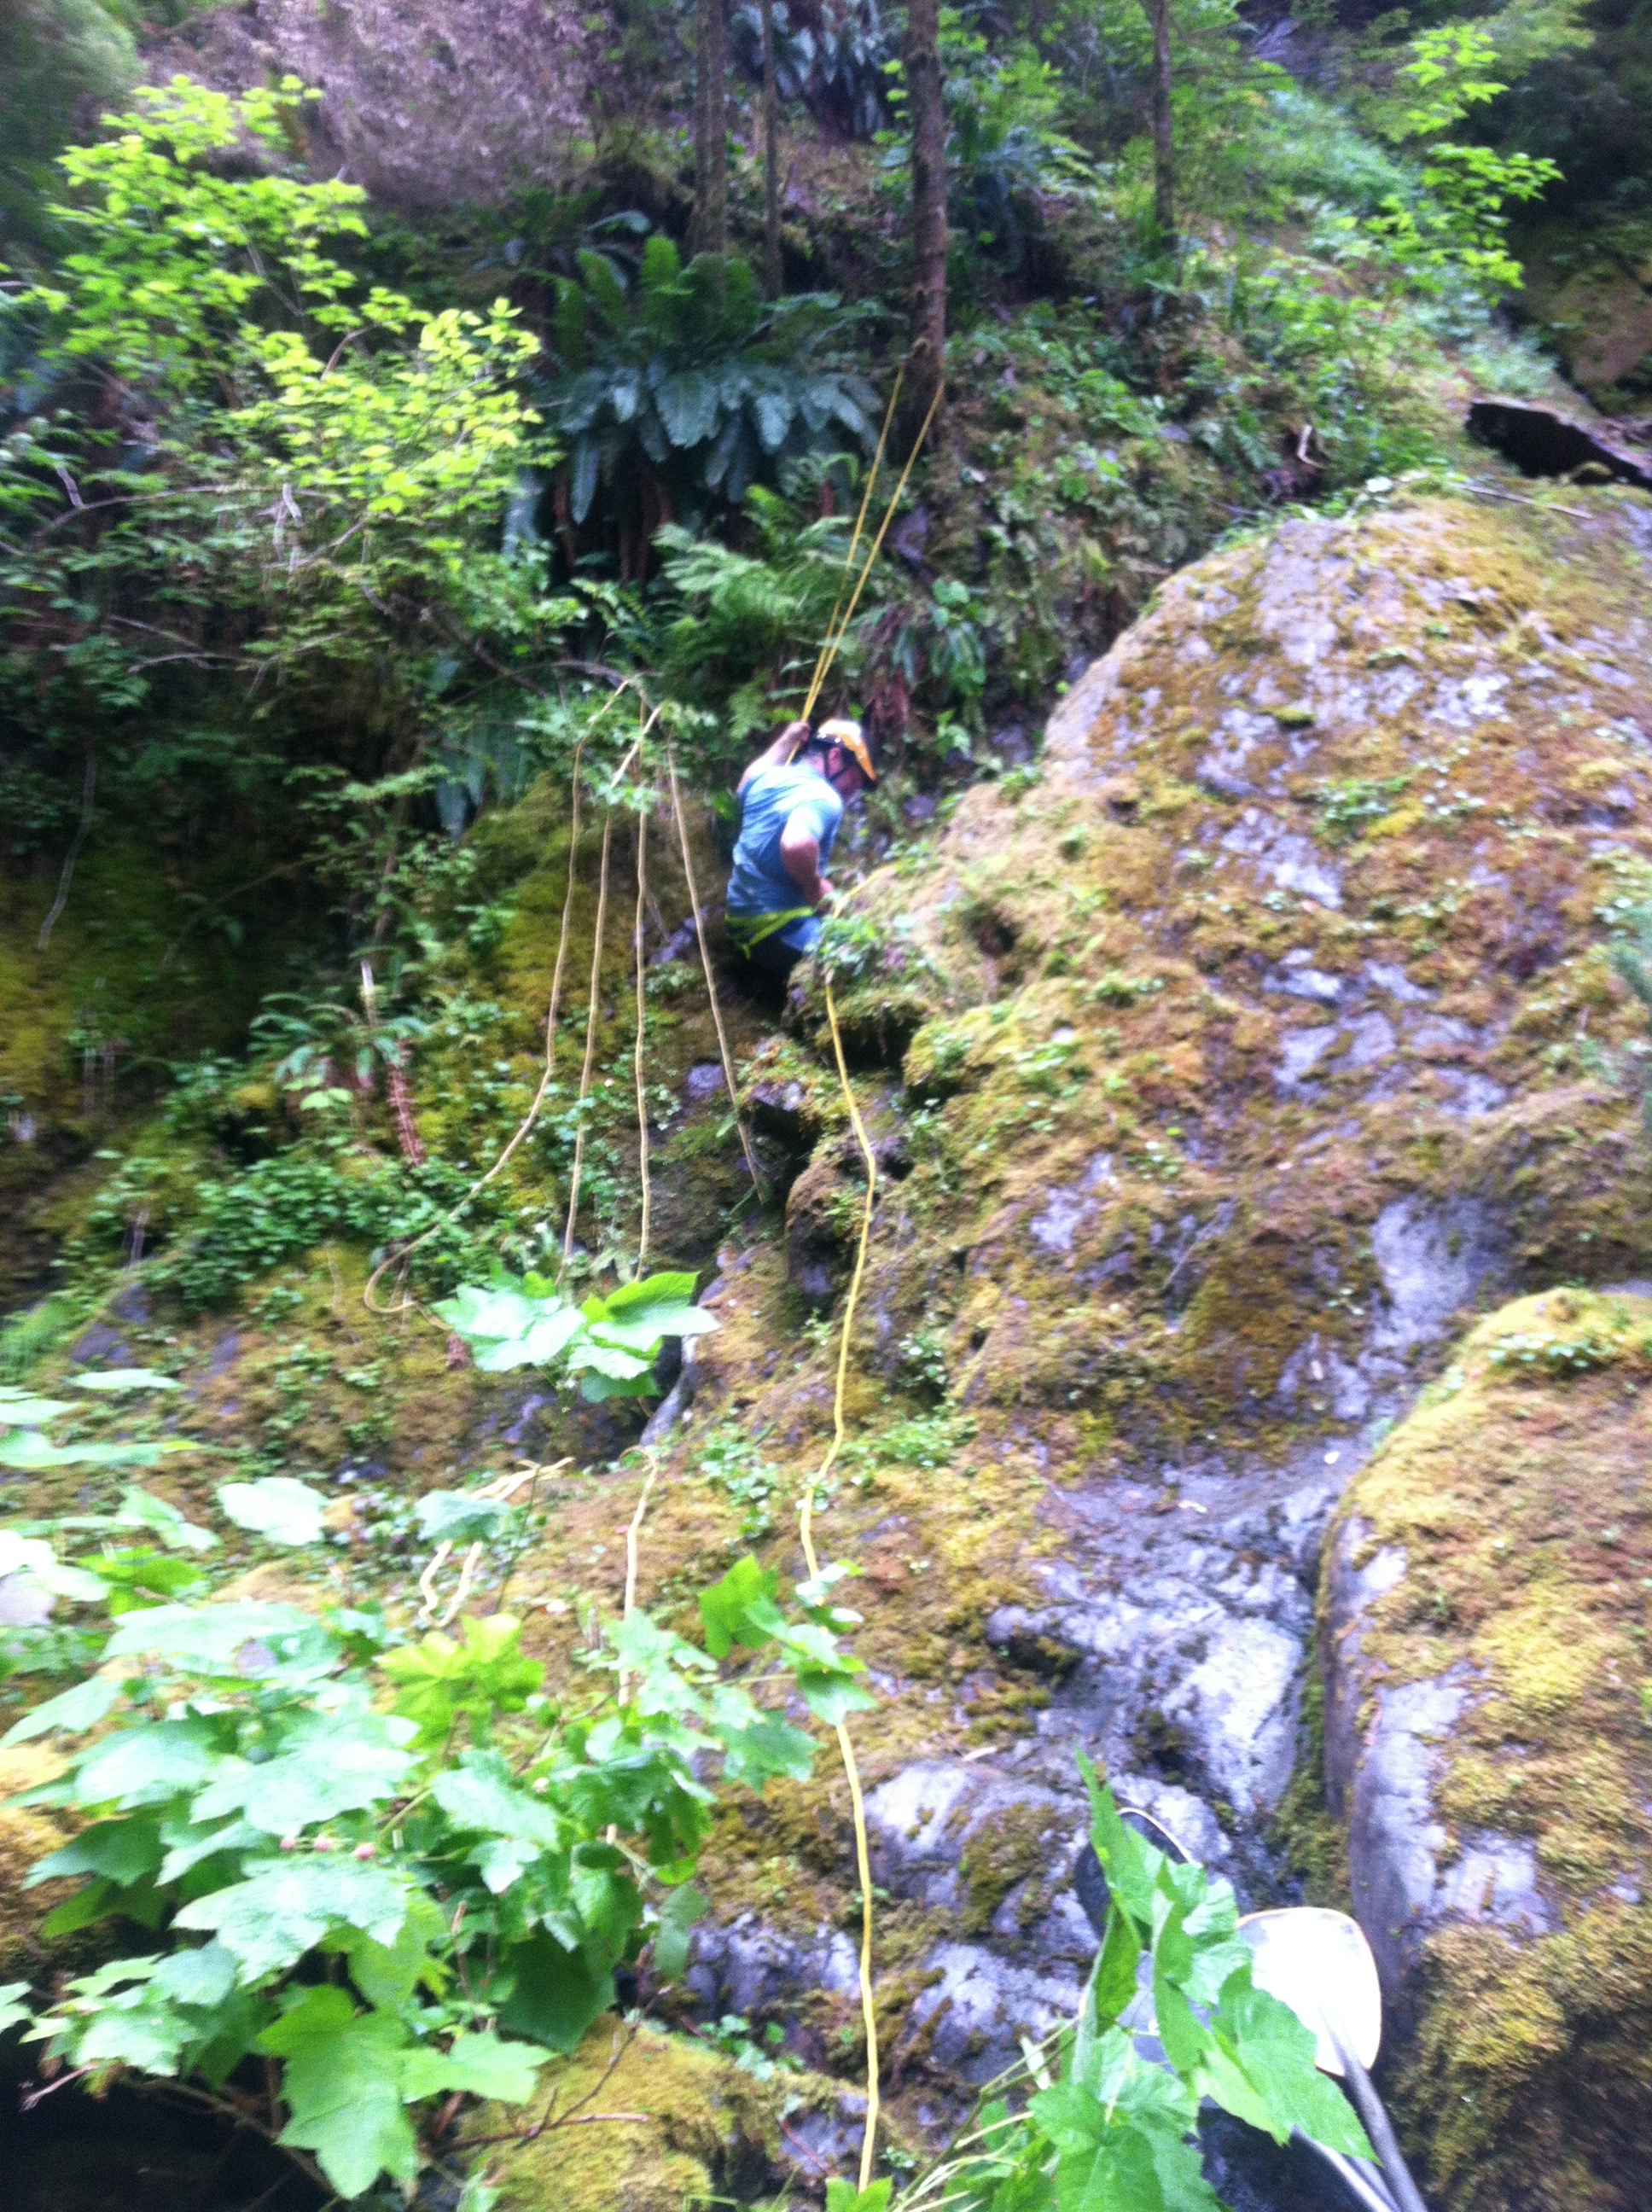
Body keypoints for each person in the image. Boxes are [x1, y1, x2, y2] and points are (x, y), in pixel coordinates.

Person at [725, 716, 876, 980]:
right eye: (854, 780)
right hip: (779, 931)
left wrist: (785, 741)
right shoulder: (825, 798)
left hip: (739, 921)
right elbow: (795, 843)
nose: (853, 792)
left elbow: (743, 787)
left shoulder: (770, 776)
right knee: (865, 959)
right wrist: (813, 884)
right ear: (835, 758)